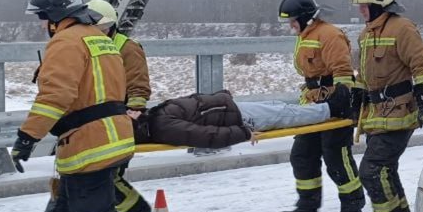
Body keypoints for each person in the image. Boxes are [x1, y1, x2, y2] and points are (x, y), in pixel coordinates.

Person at [15, 0, 140, 212]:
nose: (42, 25)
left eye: (42, 17)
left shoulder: (66, 42)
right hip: (107, 136)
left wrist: (28, 136)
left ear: (56, 15)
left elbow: (55, 96)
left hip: (91, 143)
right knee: (62, 211)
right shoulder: (99, 39)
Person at [350, 0, 423, 212]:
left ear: (378, 4)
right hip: (378, 113)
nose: (360, 11)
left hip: (400, 113)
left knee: (372, 170)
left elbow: (422, 66)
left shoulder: (402, 28)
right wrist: (357, 104)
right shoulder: (366, 34)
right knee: (386, 168)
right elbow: (365, 76)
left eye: (364, 6)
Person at [276, 0, 363, 212]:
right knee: (302, 155)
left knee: (336, 157)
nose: (290, 26)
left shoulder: (330, 35)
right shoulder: (306, 35)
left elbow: (342, 72)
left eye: (292, 21)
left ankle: (352, 207)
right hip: (312, 105)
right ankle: (307, 207)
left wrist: (341, 102)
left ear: (304, 17)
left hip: (334, 105)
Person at [85, 0, 158, 212]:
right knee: (106, 178)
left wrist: (133, 110)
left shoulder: (127, 48)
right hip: (95, 123)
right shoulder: (88, 44)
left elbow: (139, 86)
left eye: (100, 27)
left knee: (109, 178)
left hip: (119, 122)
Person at [132, 90, 350, 148]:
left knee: (282, 108)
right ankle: (333, 108)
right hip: (239, 118)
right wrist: (243, 133)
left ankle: (326, 106)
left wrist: (220, 95)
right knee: (288, 115)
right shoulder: (162, 126)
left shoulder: (154, 116)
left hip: (232, 108)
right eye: (128, 115)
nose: (129, 111)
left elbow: (196, 106)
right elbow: (205, 135)